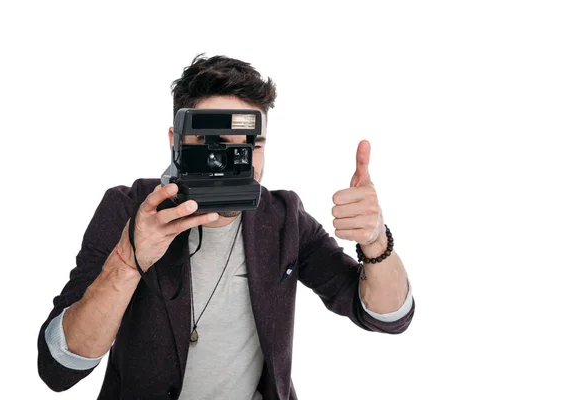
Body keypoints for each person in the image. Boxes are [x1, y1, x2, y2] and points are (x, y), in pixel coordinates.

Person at [37, 54, 415, 400]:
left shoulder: (284, 218)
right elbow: (58, 368)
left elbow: (385, 316)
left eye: (250, 145)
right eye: (213, 144)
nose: (236, 162)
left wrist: (375, 239)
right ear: (176, 142)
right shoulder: (126, 208)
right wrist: (128, 261)